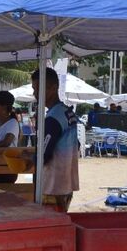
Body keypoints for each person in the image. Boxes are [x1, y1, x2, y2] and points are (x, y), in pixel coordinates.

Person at [30, 68, 79, 212]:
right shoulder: (67, 111)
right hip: (66, 183)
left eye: (38, 88)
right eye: (34, 89)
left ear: (53, 88)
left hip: (53, 186)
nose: (35, 93)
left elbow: (43, 156)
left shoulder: (53, 118)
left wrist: (29, 158)